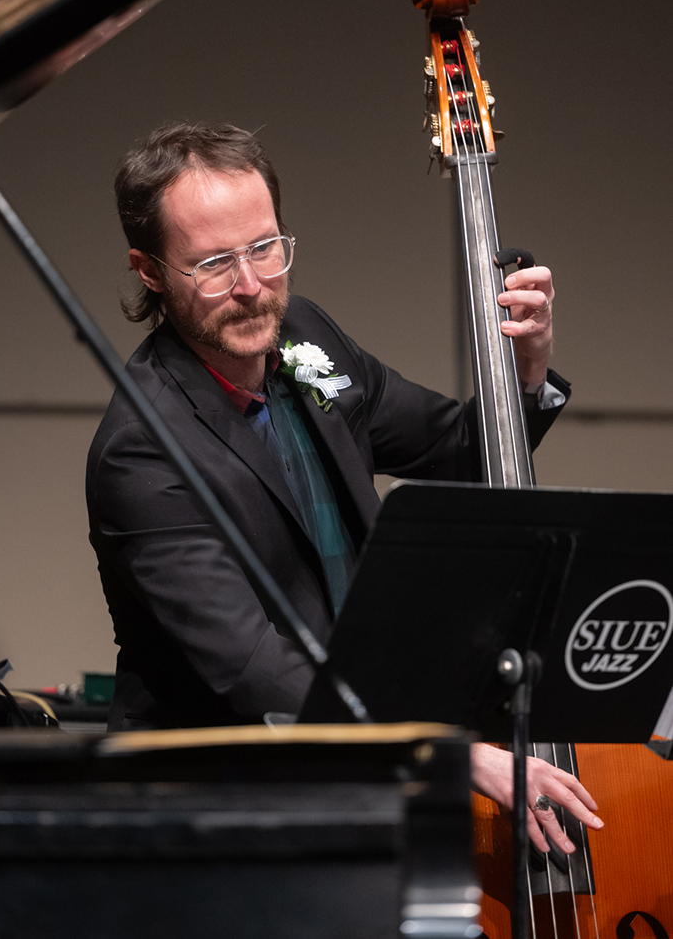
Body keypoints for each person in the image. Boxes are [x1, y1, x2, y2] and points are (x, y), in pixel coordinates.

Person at [86, 122, 603, 854]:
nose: (251, 286)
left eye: (265, 247)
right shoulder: (141, 453)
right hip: (219, 813)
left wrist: (526, 367)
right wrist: (441, 749)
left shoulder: (304, 333)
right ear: (149, 270)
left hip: (360, 775)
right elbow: (254, 669)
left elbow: (458, 449)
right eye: (212, 263)